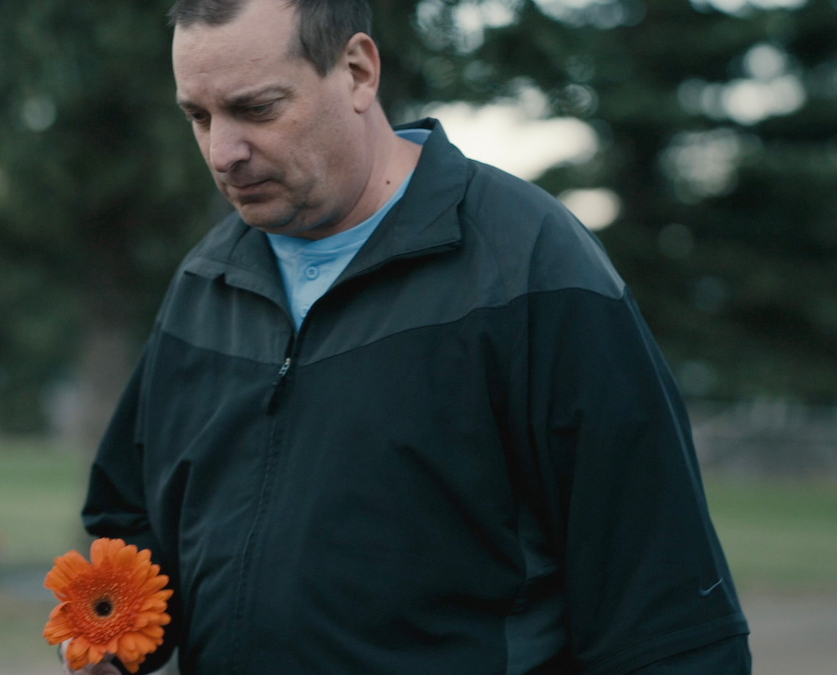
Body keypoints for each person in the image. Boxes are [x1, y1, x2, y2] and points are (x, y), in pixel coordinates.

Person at [65, 0, 751, 672]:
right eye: (199, 115)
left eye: (257, 108)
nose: (224, 151)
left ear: (359, 72)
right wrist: (119, 636)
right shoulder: (204, 282)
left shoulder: (533, 268)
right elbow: (133, 518)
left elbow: (663, 614)